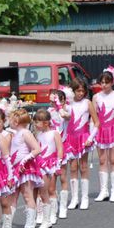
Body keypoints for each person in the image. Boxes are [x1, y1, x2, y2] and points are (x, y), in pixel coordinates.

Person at [6, 108, 43, 228]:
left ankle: (30, 226)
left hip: (25, 168)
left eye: (10, 119)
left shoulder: (25, 133)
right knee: (12, 197)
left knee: (28, 196)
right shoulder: (12, 133)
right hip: (15, 169)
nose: (8, 121)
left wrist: (24, 161)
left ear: (16, 121)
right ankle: (7, 225)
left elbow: (37, 149)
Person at [92, 67, 114, 202]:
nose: (104, 85)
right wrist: (91, 133)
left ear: (112, 82)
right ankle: (103, 190)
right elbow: (93, 116)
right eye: (102, 82)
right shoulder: (96, 97)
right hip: (100, 129)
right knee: (102, 160)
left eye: (107, 82)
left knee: (113, 160)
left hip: (113, 128)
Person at [64, 79, 98, 210]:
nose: (81, 93)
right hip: (70, 138)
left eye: (83, 91)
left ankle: (84, 198)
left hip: (83, 137)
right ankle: (74, 198)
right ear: (72, 91)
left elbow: (97, 123)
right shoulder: (68, 105)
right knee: (72, 168)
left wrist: (90, 137)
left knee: (83, 167)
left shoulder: (87, 103)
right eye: (78, 91)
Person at [33, 108, 64, 228]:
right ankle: (40, 214)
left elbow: (60, 148)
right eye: (35, 122)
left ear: (46, 123)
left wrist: (58, 163)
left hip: (51, 163)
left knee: (51, 189)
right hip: (40, 164)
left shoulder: (54, 133)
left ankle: (53, 213)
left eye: (38, 122)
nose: (35, 124)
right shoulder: (38, 135)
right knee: (41, 190)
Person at [49, 88, 72, 219]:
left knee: (63, 177)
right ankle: (53, 208)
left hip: (63, 148)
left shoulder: (66, 110)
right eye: (51, 101)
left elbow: (66, 116)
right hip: (51, 150)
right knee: (52, 180)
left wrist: (59, 106)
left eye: (55, 100)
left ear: (62, 100)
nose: (52, 103)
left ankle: (63, 207)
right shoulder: (49, 112)